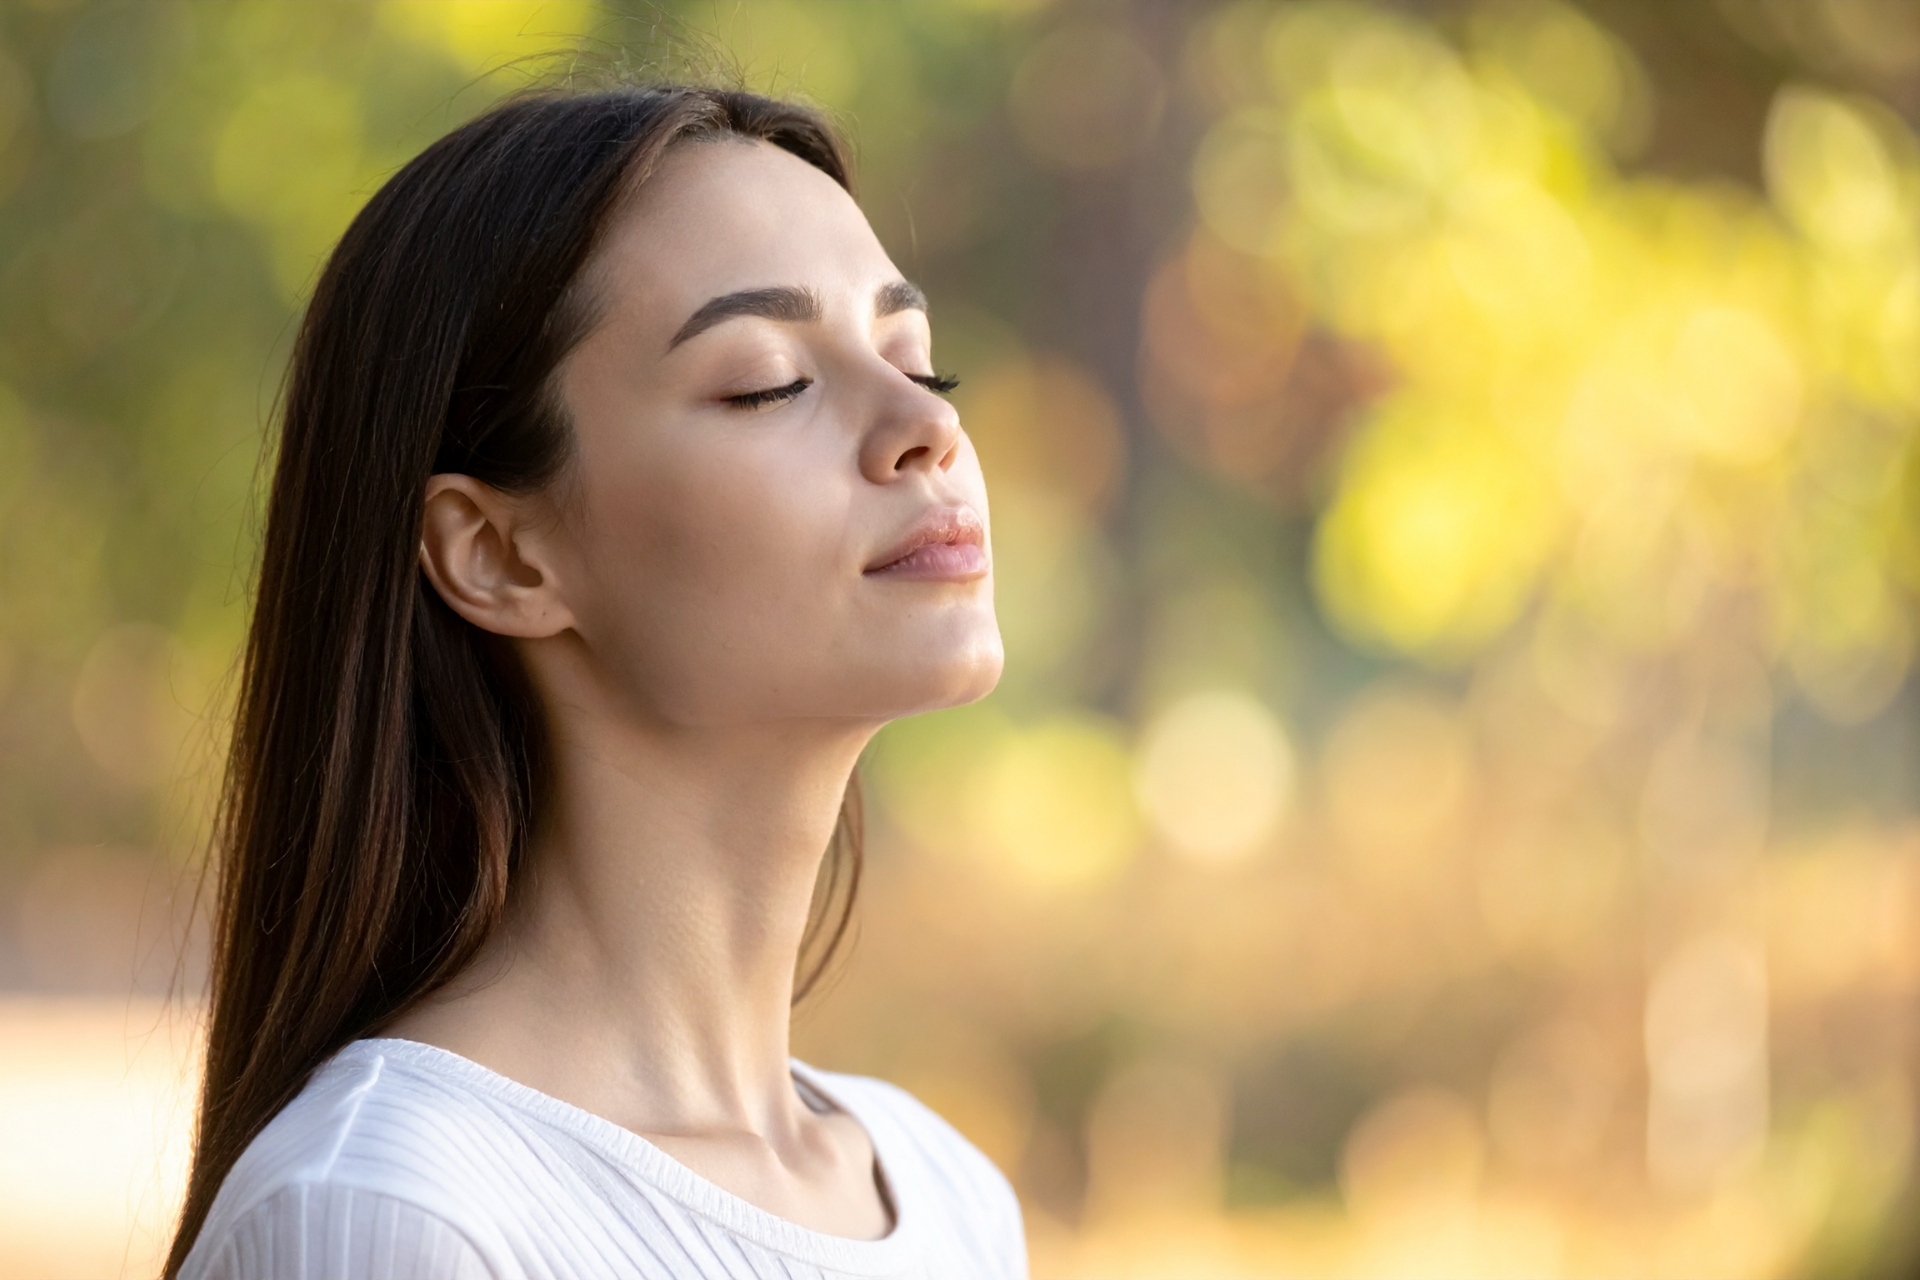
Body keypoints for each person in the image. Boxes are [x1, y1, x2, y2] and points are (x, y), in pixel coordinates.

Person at [166, 83, 1019, 1279]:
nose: (923, 427)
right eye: (769, 379)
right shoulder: (388, 1211)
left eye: (920, 360)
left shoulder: (945, 1196)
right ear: (499, 552)